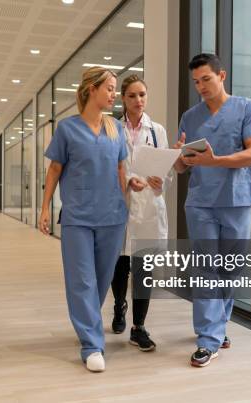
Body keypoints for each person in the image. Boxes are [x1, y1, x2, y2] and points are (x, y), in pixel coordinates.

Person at [172, 53, 251, 367]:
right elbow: (182, 167)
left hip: (236, 200)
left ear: (221, 76)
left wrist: (216, 161)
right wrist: (179, 157)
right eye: (196, 81)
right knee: (205, 269)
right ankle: (208, 339)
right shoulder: (190, 116)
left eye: (206, 79)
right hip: (200, 202)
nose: (201, 86)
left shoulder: (247, 108)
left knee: (232, 268)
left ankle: (218, 324)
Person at [38, 66, 129, 373]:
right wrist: (45, 208)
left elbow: (121, 173)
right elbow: (54, 170)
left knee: (100, 282)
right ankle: (92, 344)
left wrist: (133, 189)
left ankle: (87, 325)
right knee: (82, 281)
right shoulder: (67, 129)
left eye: (115, 89)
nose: (114, 94)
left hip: (113, 216)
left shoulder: (116, 128)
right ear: (92, 89)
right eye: (110, 88)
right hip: (78, 217)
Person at [110, 74, 171, 352]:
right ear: (123, 98)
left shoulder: (157, 130)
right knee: (119, 267)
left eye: (143, 95)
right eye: (133, 95)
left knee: (143, 270)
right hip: (120, 205)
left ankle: (139, 327)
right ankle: (119, 306)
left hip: (147, 207)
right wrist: (125, 182)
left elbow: (165, 170)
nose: (139, 100)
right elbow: (107, 166)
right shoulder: (111, 128)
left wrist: (160, 182)